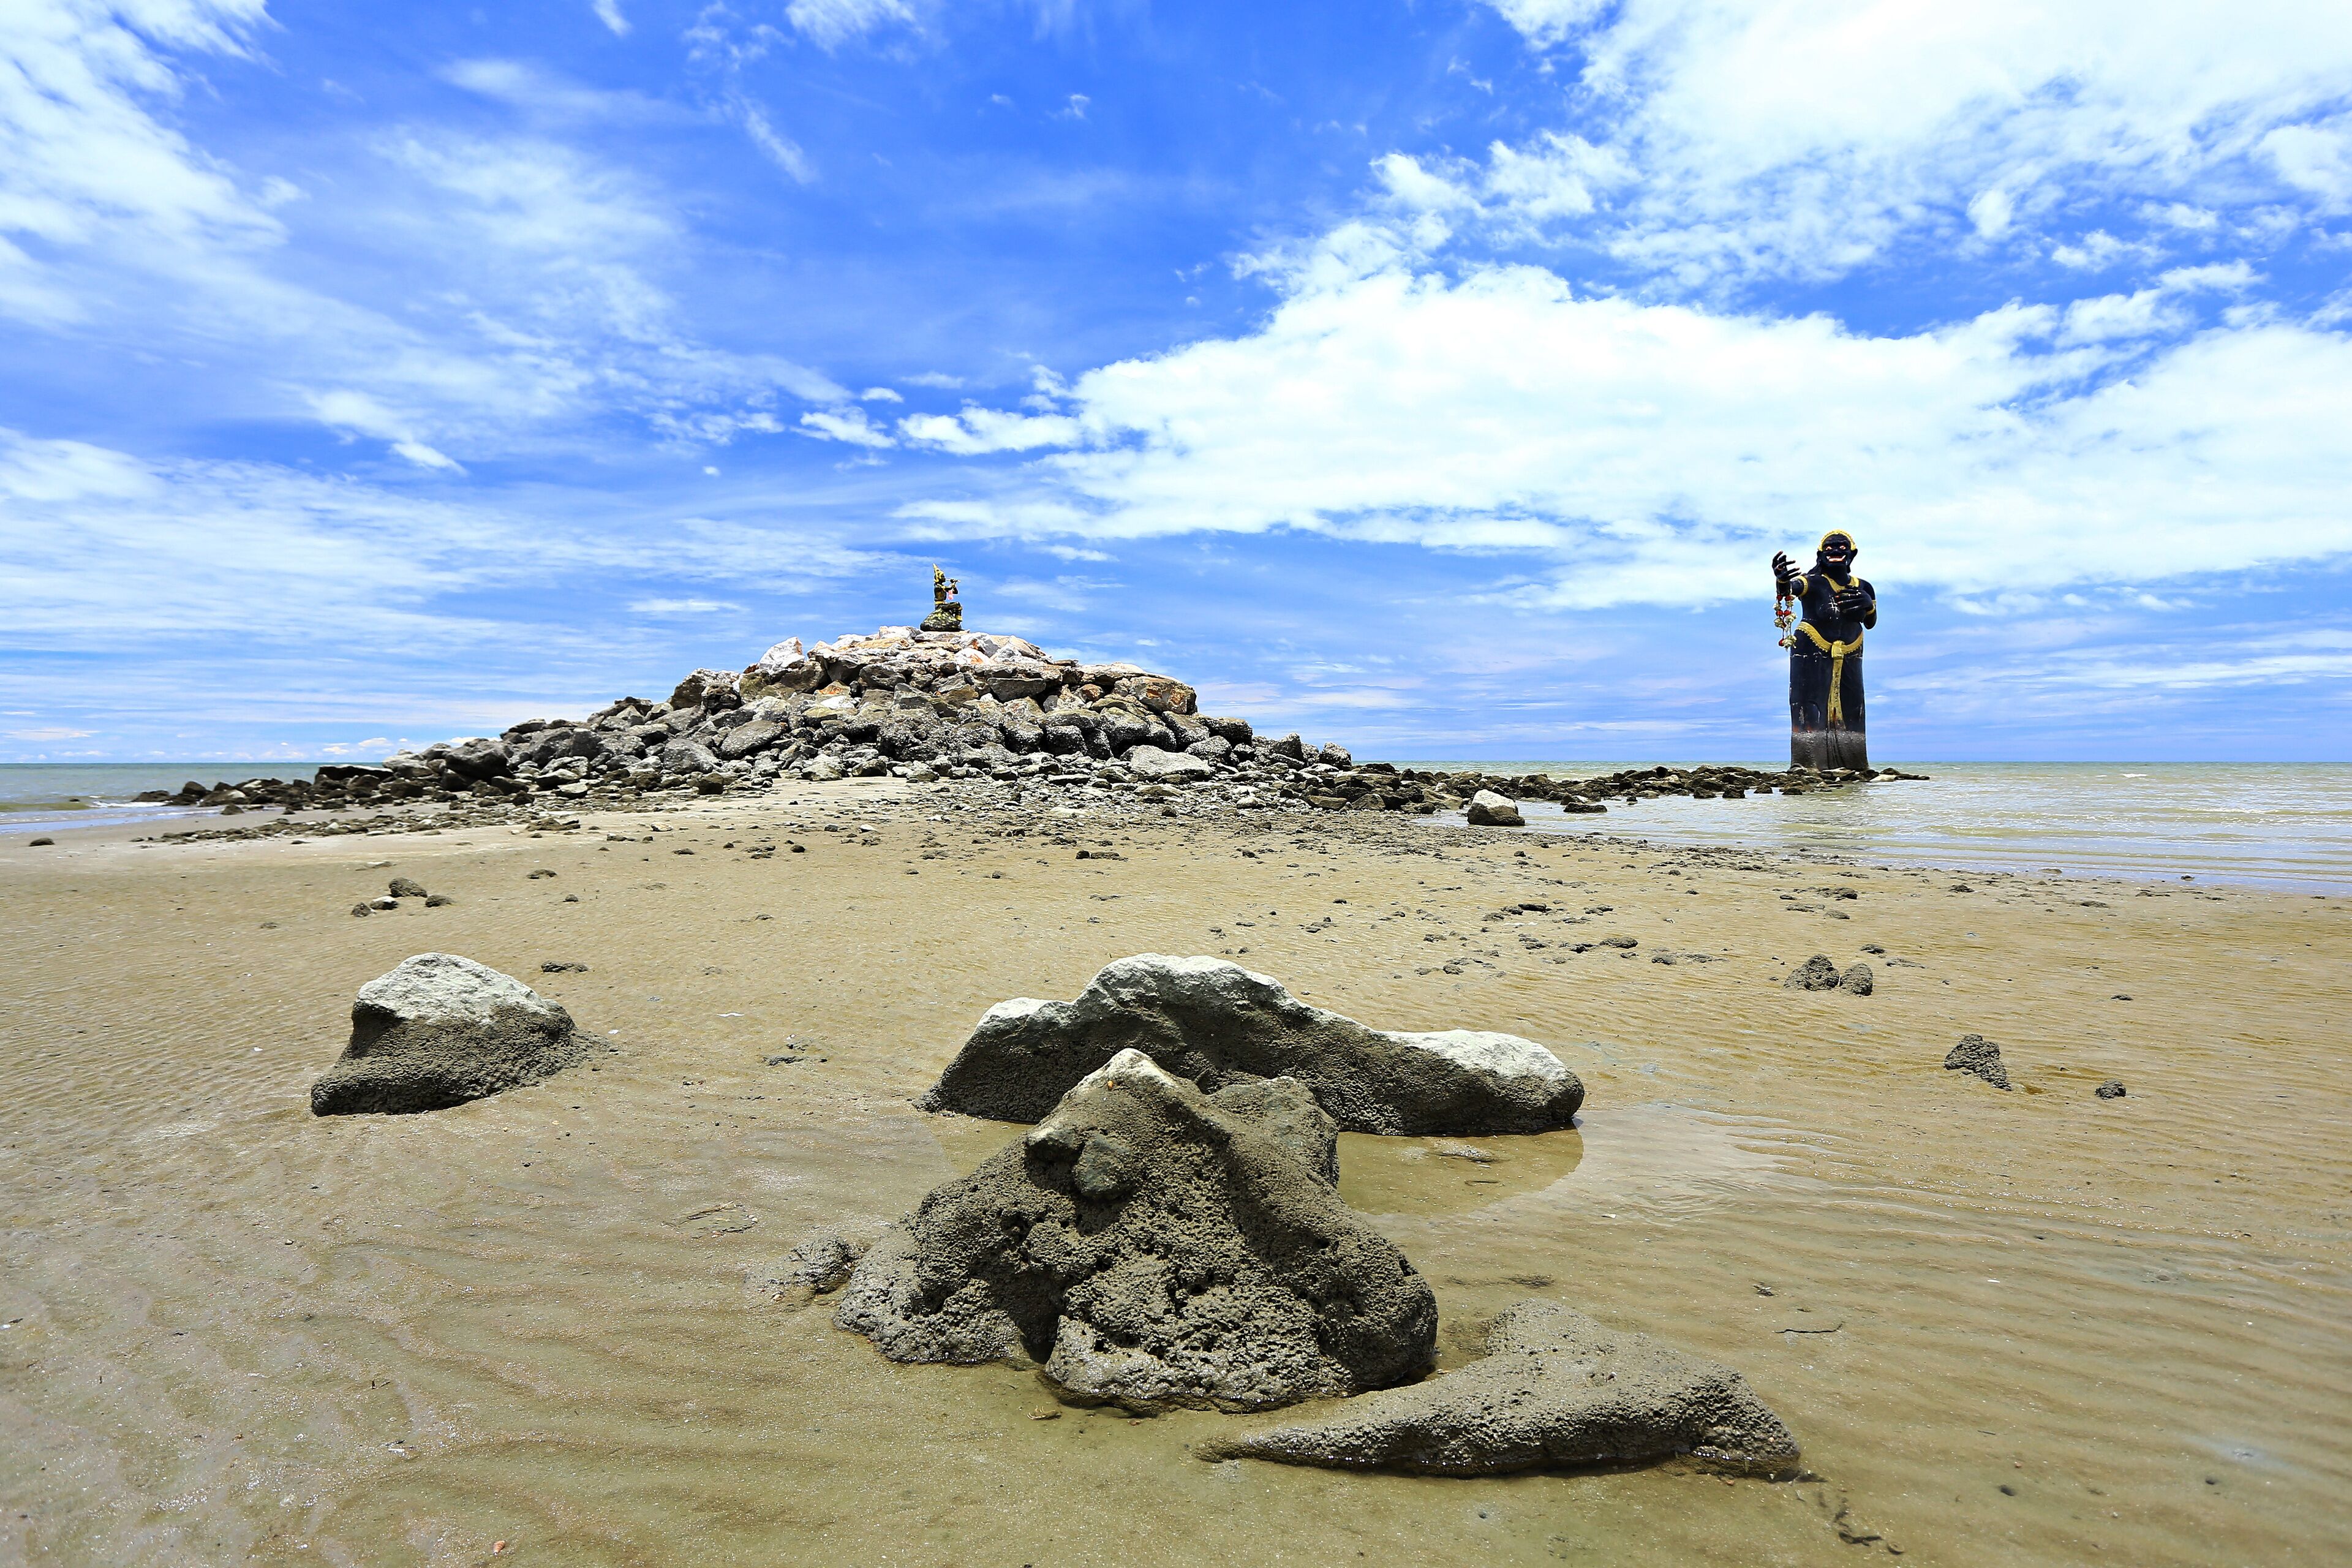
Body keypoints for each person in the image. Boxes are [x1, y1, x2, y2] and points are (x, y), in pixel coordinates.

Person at [1773, 530, 1876, 772]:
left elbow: (1870, 623)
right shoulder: (1813, 582)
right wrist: (1782, 580)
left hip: (1852, 650)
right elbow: (1789, 590)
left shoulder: (1864, 587)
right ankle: (1806, 765)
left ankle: (1854, 764)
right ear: (1820, 555)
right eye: (1829, 548)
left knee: (1853, 706)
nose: (1836, 551)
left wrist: (1868, 606)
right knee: (1809, 704)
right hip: (1811, 647)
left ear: (1852, 554)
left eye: (1841, 547)